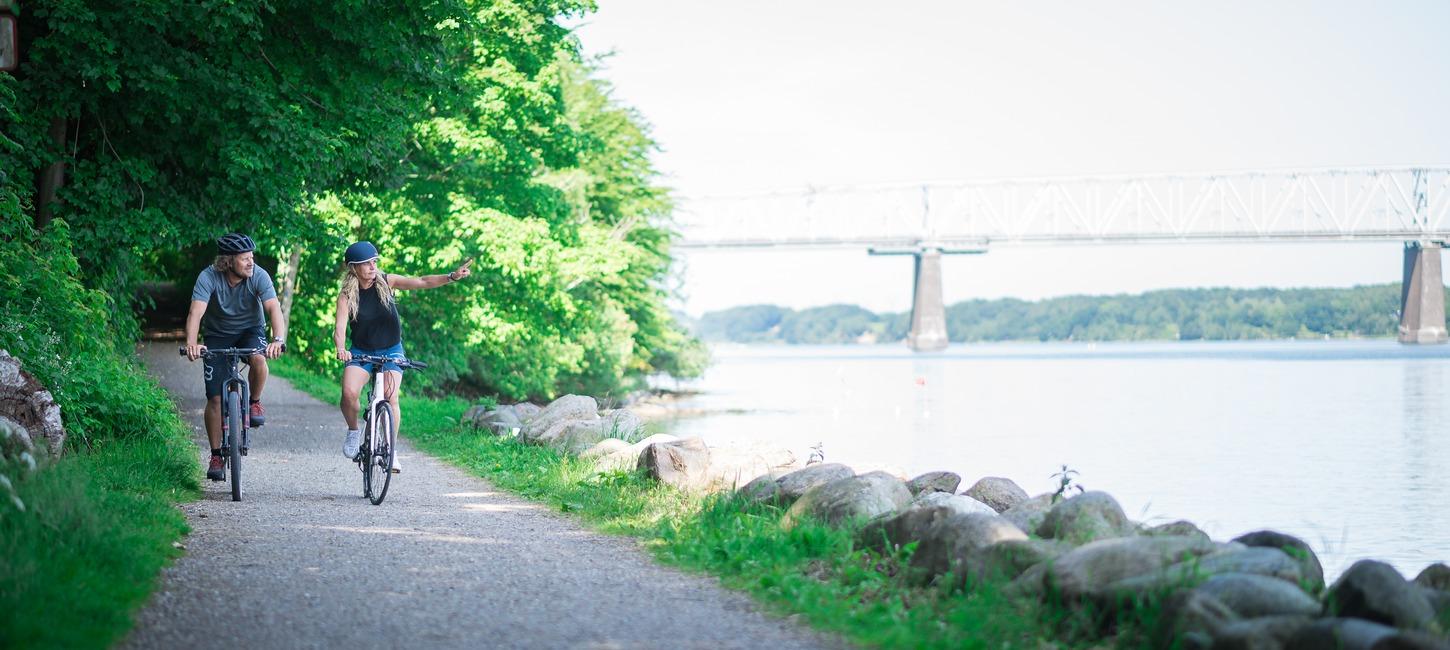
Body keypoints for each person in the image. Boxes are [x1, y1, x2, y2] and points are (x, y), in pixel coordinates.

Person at [334, 241, 472, 472]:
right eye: (366, 263)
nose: (372, 267)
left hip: (391, 350)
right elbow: (339, 328)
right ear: (353, 268)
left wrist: (452, 276)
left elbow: (422, 281)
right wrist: (341, 348)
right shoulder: (347, 295)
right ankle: (353, 431)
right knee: (349, 394)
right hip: (361, 351)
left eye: (374, 262)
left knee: (391, 397)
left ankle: (391, 450)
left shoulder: (387, 281)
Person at [183, 233, 287, 481]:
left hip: (250, 331)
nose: (251, 262)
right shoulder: (208, 277)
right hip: (217, 335)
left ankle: (254, 402)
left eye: (252, 257)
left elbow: (273, 307)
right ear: (227, 261)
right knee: (216, 400)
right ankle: (216, 455)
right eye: (245, 259)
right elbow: (195, 313)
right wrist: (191, 343)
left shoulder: (258, 275)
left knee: (258, 359)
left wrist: (278, 339)